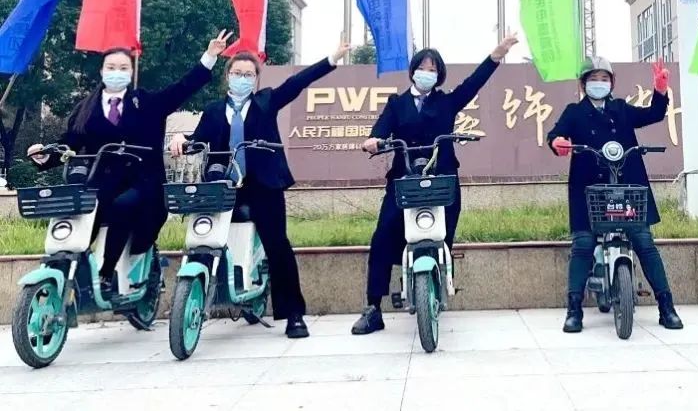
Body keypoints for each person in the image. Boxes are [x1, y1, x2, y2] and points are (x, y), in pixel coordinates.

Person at [169, 37, 351, 339]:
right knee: (205, 238)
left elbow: (297, 83)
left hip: (263, 184)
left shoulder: (266, 101)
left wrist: (332, 58)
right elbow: (196, 141)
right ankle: (201, 293)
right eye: (237, 73)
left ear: (256, 79)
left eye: (248, 74)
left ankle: (293, 314)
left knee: (277, 244)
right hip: (223, 185)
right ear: (228, 76)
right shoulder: (213, 110)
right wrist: (181, 141)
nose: (242, 78)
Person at [29, 32, 230, 299]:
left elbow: (181, 89)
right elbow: (70, 143)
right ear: (102, 71)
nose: (117, 73)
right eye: (111, 67)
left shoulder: (145, 103)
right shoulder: (86, 109)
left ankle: (106, 273)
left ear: (131, 72)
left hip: (143, 183)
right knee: (79, 211)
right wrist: (46, 155)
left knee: (123, 205)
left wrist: (210, 57)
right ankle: (72, 268)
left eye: (123, 68)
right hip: (102, 183)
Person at [351, 34, 519, 335]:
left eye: (433, 69)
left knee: (442, 233)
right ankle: (373, 308)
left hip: (442, 178)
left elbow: (473, 83)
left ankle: (436, 282)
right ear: (413, 71)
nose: (426, 73)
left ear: (438, 74)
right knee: (382, 236)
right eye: (422, 68)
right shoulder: (396, 103)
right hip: (404, 179)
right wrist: (373, 140)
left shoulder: (447, 102)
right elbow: (381, 129)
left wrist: (496, 55)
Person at [547, 56, 684, 333]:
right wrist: (557, 142)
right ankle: (574, 310)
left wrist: (660, 92)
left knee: (644, 241)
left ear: (612, 83)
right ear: (583, 84)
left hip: (627, 187)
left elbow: (653, 115)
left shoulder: (621, 108)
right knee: (583, 244)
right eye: (593, 79)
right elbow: (556, 134)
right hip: (589, 190)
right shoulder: (574, 112)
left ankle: (666, 306)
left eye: (604, 79)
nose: (599, 83)